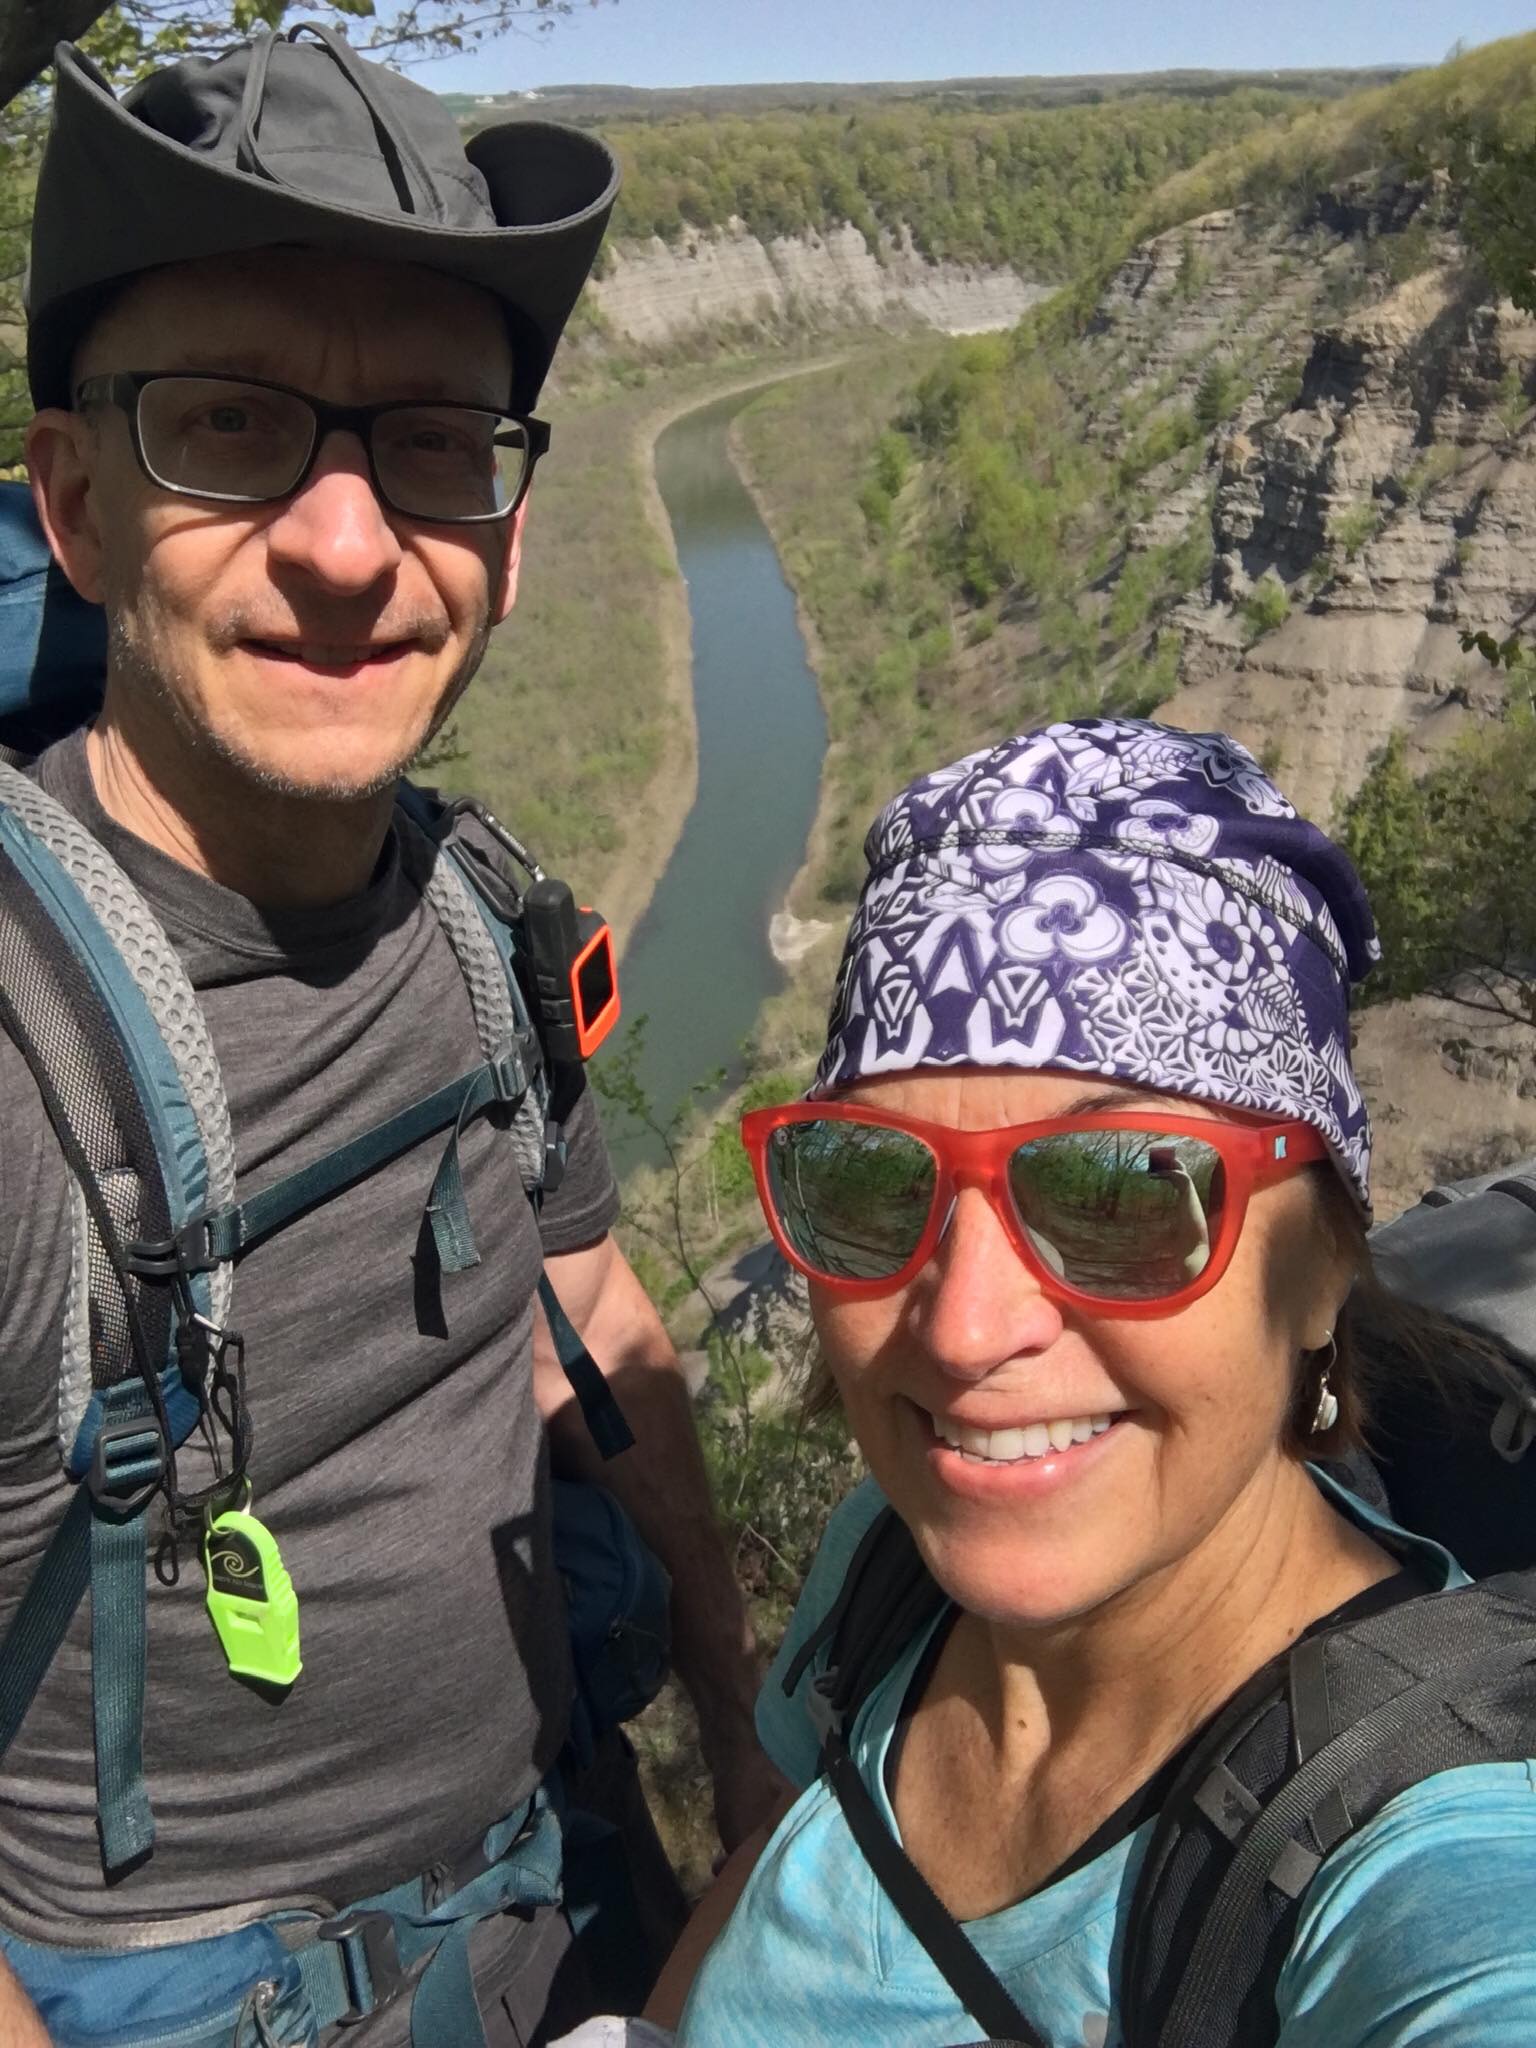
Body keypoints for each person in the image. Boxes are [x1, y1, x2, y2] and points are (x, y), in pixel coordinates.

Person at [0, 29, 782, 2047]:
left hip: (560, 1886)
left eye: (430, 441)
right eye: (232, 422)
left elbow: (597, 1316)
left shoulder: (471, 907)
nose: (348, 548)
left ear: (508, 547)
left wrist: (737, 1714)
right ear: (77, 505)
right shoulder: (18, 1053)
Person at [642, 718, 1536, 2046]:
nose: (964, 1331)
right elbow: (772, 1892)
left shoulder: (1421, 1852)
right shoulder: (890, 1572)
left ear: (1325, 1264)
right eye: (868, 1183)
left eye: (1123, 1195)